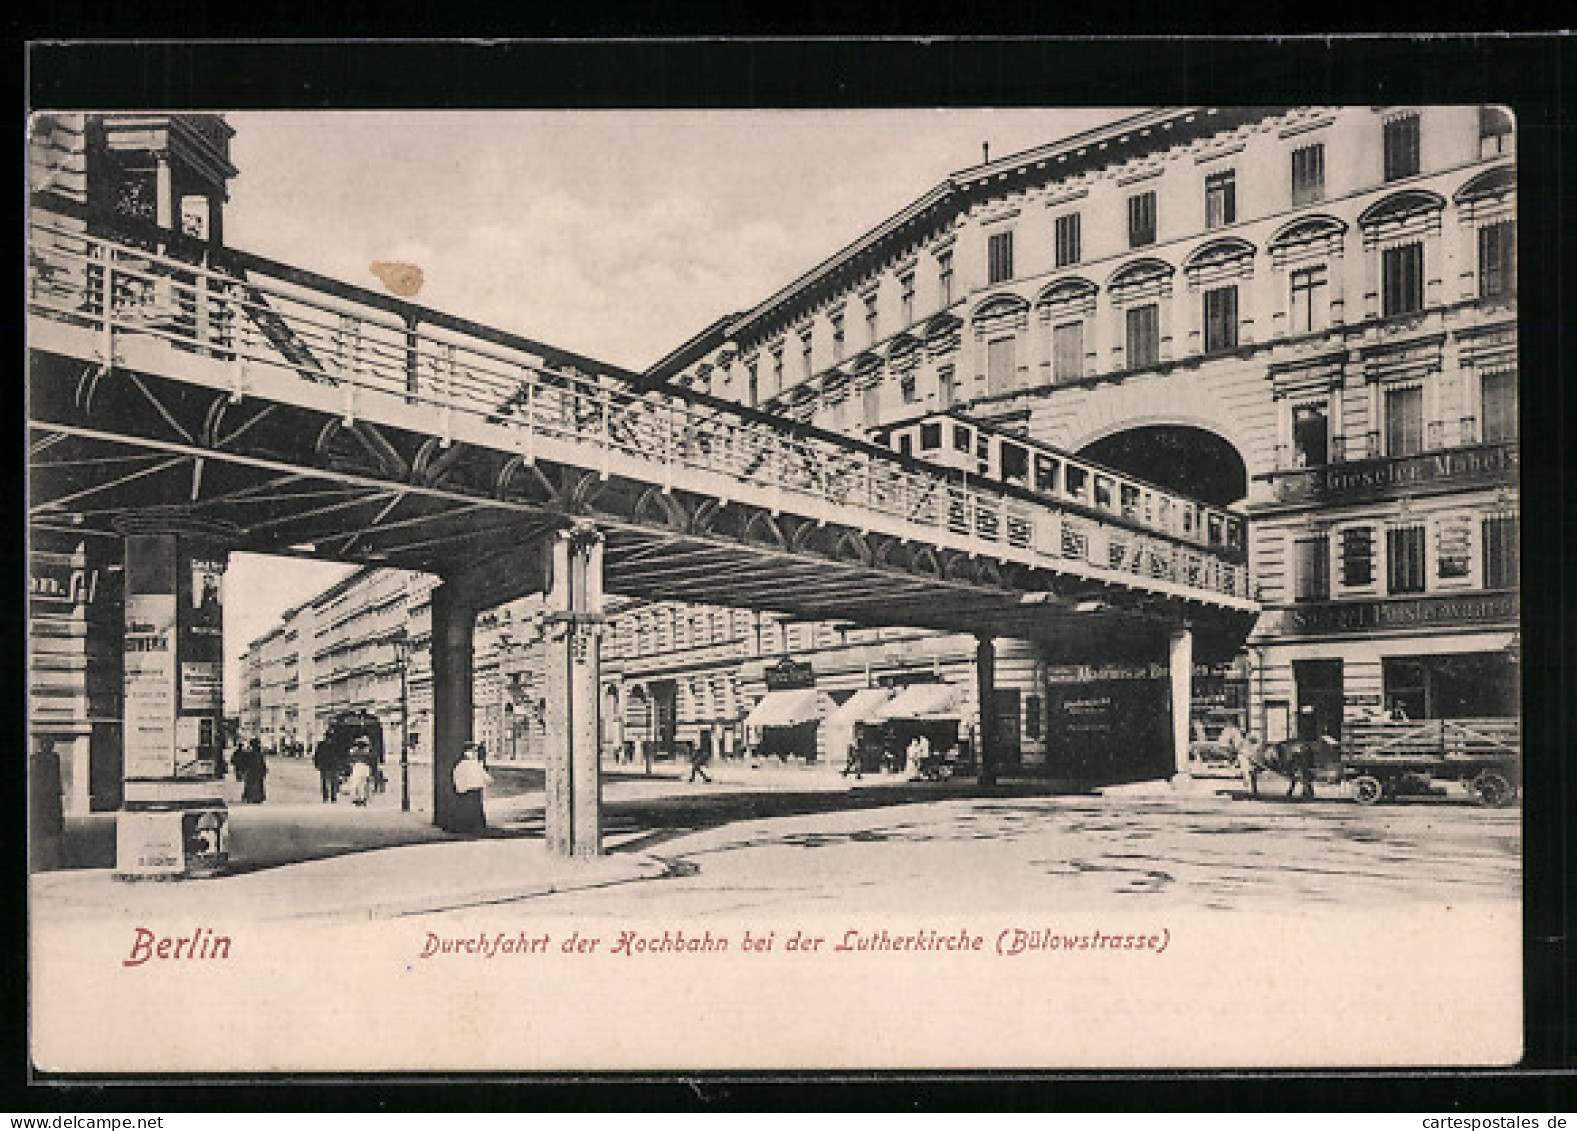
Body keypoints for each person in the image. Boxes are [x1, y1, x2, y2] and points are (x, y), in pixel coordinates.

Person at [449, 743, 492, 832]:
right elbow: (486, 776)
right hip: (475, 790)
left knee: (467, 809)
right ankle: (477, 827)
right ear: (467, 752)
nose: (474, 753)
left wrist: (459, 789)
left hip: (467, 791)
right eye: (473, 751)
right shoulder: (474, 764)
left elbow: (456, 777)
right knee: (476, 809)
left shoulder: (460, 765)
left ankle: (466, 827)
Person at [345, 736, 375, 807]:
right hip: (365, 768)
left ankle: (357, 798)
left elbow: (350, 760)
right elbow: (371, 761)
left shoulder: (354, 752)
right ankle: (362, 798)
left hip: (357, 768)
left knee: (355, 784)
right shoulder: (367, 753)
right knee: (363, 784)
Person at [313, 736, 343, 803]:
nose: (329, 739)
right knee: (325, 782)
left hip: (333, 766)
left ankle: (333, 797)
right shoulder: (321, 745)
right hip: (325, 766)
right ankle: (326, 797)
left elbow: (340, 756)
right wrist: (317, 764)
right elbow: (317, 755)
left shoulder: (335, 745)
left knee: (333, 782)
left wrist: (339, 765)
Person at [239, 738, 268, 804]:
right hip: (256, 771)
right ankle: (255, 797)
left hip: (252, 771)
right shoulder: (258, 753)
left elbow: (245, 763)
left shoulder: (250, 753)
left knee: (251, 784)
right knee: (256, 784)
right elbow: (262, 763)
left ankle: (251, 797)